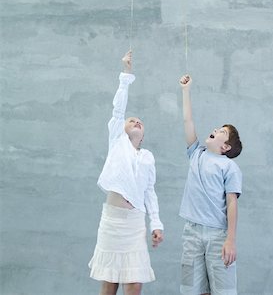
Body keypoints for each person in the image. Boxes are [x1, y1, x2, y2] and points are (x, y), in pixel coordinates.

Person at [89, 51, 164, 295]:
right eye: (131, 120)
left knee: (134, 284)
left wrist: (156, 223)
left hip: (134, 225)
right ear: (121, 129)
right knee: (109, 284)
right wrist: (126, 74)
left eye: (139, 122)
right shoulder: (117, 142)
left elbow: (150, 191)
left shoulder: (147, 157)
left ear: (144, 135)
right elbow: (118, 110)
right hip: (112, 221)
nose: (136, 121)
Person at [179, 74, 243, 295]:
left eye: (222, 132)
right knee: (191, 290)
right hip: (192, 233)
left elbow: (232, 203)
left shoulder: (229, 168)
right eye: (218, 128)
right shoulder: (196, 152)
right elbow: (188, 121)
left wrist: (230, 240)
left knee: (223, 290)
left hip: (218, 235)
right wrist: (186, 91)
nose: (216, 129)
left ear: (225, 147)